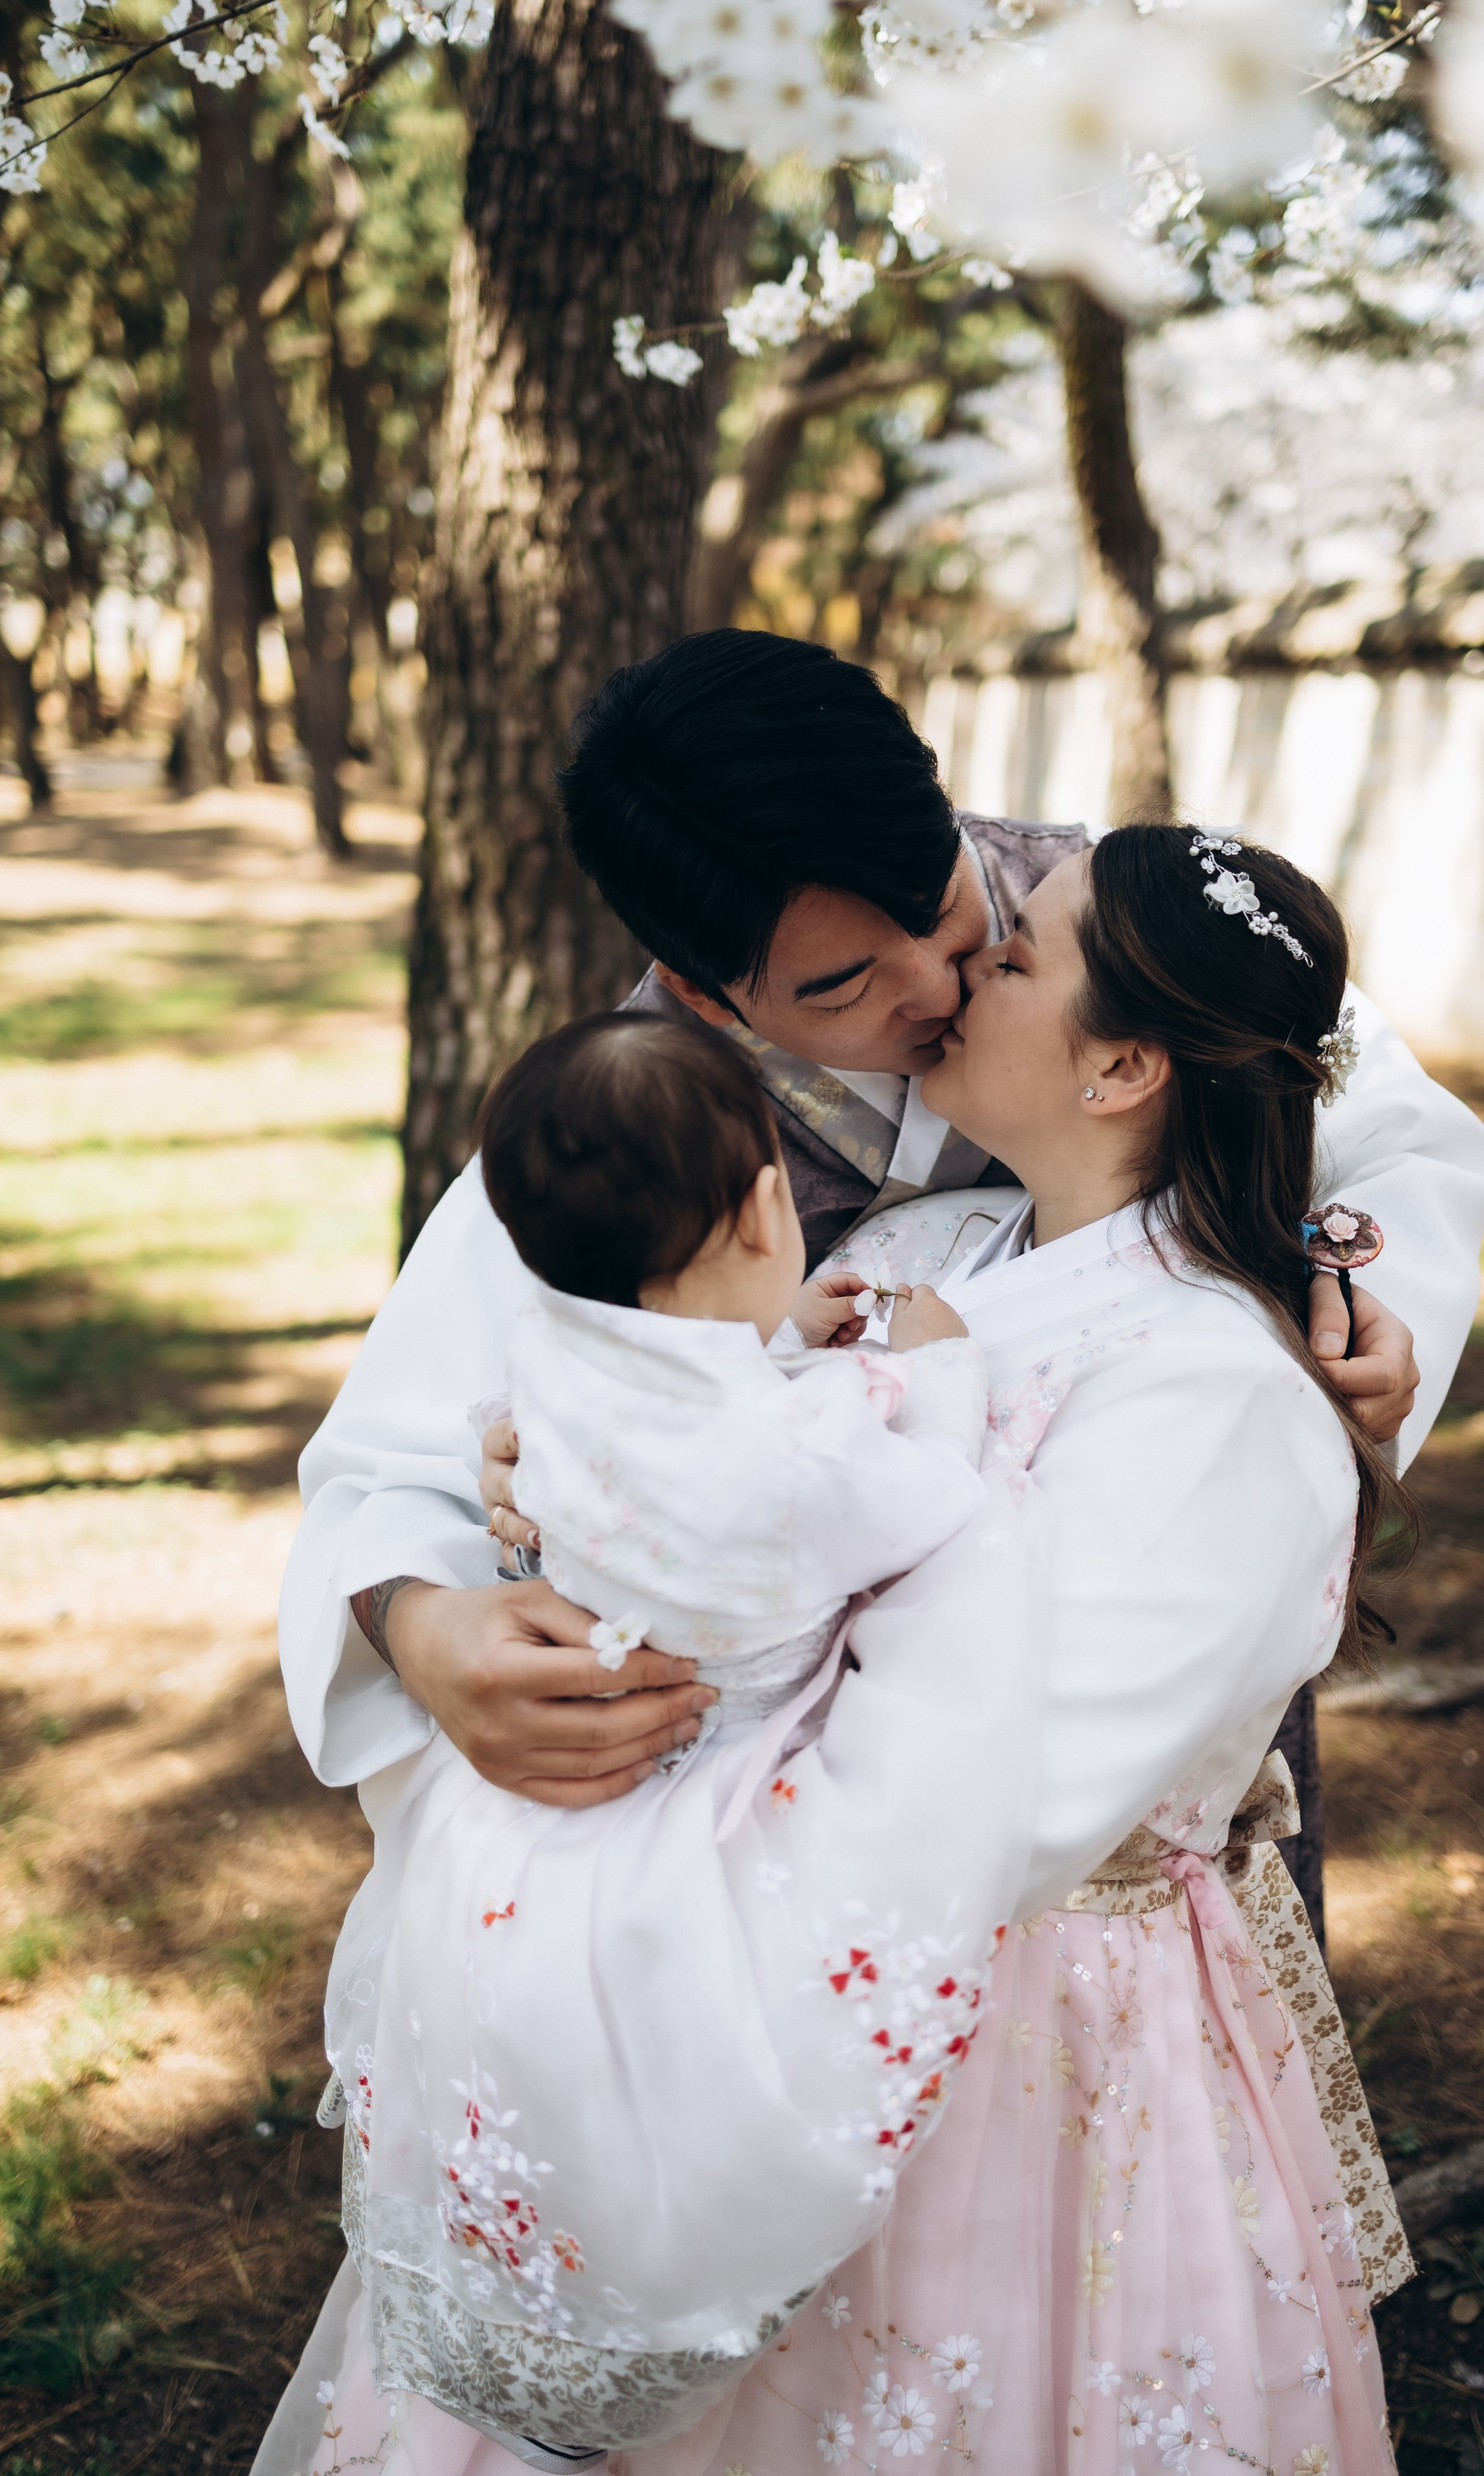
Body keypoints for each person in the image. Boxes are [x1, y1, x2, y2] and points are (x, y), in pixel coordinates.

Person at [264, 825, 1421, 2476]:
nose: (956, 981)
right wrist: (564, 1495)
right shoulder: (906, 1258)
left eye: (1010, 957)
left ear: (1118, 1070)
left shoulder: (1219, 1395)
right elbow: (714, 1478)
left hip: (992, 2024)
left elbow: (1013, 1794)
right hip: (773, 1939)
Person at [277, 632, 1484, 1955]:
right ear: (706, 993)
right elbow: (395, 1458)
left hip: (1144, 1753)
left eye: (941, 906)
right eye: (843, 986)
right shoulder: (624, 1126)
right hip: (819, 1852)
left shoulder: (1119, 923)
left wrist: (1347, 1299)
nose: (938, 987)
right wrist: (424, 1627)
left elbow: (1394, 1137)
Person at [286, 1011, 1048, 2468]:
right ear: (768, 1208)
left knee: (550, 2104)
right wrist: (931, 1371)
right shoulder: (796, 1461)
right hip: (712, 1806)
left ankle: (531, 2350)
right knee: (698, 2113)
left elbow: (685, 1389)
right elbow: (917, 1496)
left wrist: (785, 1338)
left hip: (522, 1837)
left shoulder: (544, 1375)